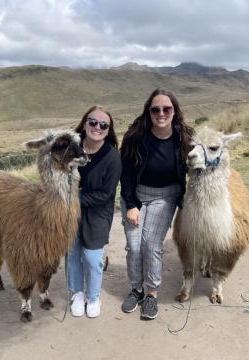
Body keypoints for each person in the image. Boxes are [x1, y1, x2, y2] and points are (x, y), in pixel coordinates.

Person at [120, 89, 195, 320]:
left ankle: (151, 293)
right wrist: (132, 204)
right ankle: (136, 289)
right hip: (136, 195)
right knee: (134, 246)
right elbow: (127, 174)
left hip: (166, 196)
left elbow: (201, 159)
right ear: (148, 111)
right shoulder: (136, 137)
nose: (161, 113)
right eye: (155, 109)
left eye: (167, 109)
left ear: (174, 110)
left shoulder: (185, 137)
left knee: (151, 245)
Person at [66, 105, 122, 318]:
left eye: (103, 124)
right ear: (85, 122)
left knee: (91, 256)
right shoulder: (71, 147)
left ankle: (93, 296)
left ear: (108, 130)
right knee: (72, 253)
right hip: (70, 212)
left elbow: (106, 195)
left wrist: (74, 198)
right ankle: (77, 293)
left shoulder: (112, 157)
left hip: (97, 212)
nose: (97, 127)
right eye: (93, 122)